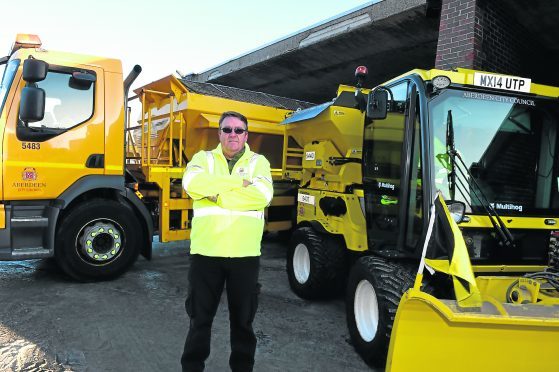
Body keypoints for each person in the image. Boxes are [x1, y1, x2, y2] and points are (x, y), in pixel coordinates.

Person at [181, 111, 273, 372]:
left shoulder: (259, 162)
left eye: (238, 130)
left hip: (244, 255)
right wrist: (238, 183)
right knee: (199, 320)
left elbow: (262, 195)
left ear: (246, 135)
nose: (233, 134)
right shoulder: (203, 158)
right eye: (227, 129)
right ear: (219, 133)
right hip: (205, 253)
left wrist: (217, 195)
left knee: (243, 323)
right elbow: (191, 183)